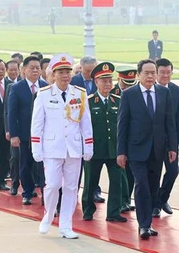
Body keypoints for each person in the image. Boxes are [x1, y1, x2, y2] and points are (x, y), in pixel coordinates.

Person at [31, 53, 94, 239]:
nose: (65, 75)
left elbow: (85, 123)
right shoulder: (43, 95)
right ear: (53, 74)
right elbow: (37, 124)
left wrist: (88, 146)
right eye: (61, 72)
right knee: (52, 185)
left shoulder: (79, 94)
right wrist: (36, 148)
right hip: (52, 147)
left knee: (71, 188)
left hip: (73, 147)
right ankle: (48, 215)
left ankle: (66, 225)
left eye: (67, 72)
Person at [116, 59, 178, 240]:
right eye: (147, 73)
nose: (150, 76)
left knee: (152, 187)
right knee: (141, 185)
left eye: (153, 73)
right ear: (138, 75)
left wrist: (172, 147)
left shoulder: (164, 93)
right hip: (136, 150)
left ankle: (148, 223)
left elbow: (170, 123)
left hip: (158, 150)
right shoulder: (129, 94)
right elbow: (123, 125)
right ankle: (143, 225)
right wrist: (121, 151)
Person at [82, 62, 126, 223]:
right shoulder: (88, 101)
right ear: (96, 82)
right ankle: (88, 210)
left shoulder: (118, 100)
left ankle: (114, 212)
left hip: (114, 149)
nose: (108, 84)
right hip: (95, 149)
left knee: (117, 182)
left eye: (110, 81)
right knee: (90, 182)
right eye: (104, 80)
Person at [7, 56, 48, 204]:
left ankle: (45, 192)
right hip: (25, 134)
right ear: (24, 70)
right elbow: (12, 113)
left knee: (43, 165)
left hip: (44, 134)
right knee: (25, 164)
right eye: (32, 67)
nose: (35, 70)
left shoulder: (46, 86)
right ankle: (27, 192)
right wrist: (14, 134)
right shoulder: (17, 88)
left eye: (38, 67)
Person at [151, 58, 179, 217]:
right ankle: (154, 204)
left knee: (173, 170)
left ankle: (161, 199)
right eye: (162, 72)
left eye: (168, 72)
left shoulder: (176, 90)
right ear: (156, 73)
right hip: (153, 141)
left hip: (171, 140)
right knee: (155, 173)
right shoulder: (150, 90)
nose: (165, 75)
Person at [70, 56, 103, 203]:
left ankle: (94, 191)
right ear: (81, 68)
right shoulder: (73, 81)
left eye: (93, 70)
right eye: (88, 71)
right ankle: (73, 191)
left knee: (94, 165)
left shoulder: (100, 80)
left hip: (96, 130)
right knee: (77, 167)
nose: (90, 74)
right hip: (77, 130)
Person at [110, 66, 138, 213]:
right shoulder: (112, 93)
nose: (128, 87)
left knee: (131, 173)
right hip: (116, 140)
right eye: (126, 83)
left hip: (131, 140)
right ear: (119, 79)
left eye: (131, 83)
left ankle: (126, 200)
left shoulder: (134, 94)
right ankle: (119, 202)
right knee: (119, 175)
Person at [0, 59, 11, 191]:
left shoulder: (10, 85)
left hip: (6, 128)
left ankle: (1, 181)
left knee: (5, 155)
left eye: (2, 69)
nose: (1, 71)